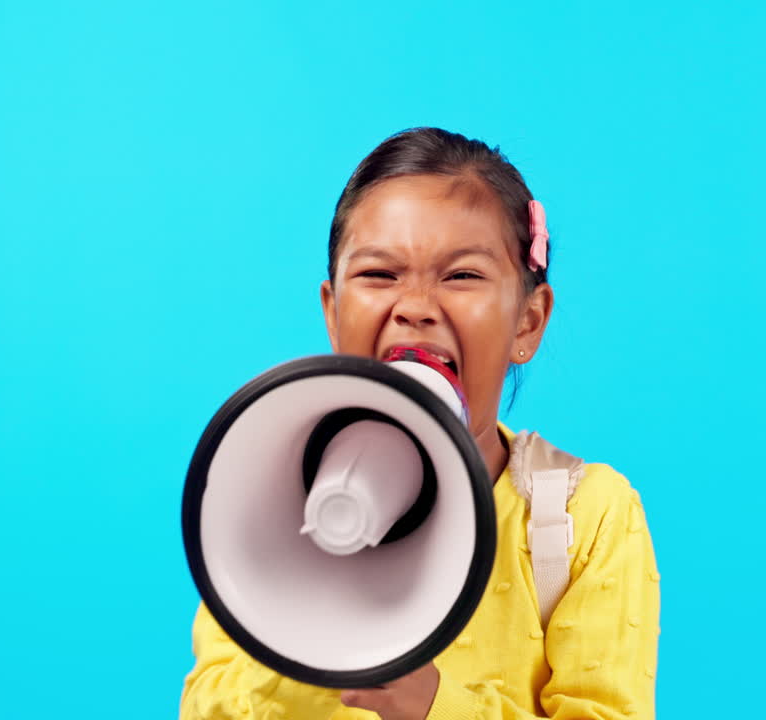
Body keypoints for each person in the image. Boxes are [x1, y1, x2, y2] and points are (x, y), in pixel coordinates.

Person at [179, 127, 660, 720]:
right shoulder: (258, 501)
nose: (414, 306)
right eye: (380, 275)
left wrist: (434, 706)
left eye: (462, 277)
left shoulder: (582, 519)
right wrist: (296, 609)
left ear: (527, 323)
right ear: (333, 313)